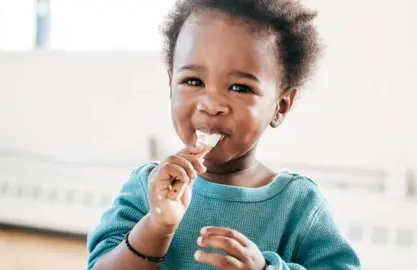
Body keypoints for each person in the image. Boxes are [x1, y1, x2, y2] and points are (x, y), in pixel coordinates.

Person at [87, 0, 361, 269]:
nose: (211, 105)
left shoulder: (299, 206)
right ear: (171, 86)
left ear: (280, 106)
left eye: (240, 87)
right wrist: (156, 226)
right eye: (193, 81)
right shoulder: (145, 188)